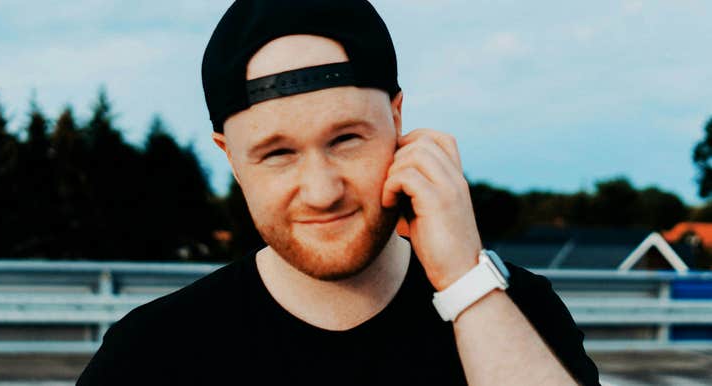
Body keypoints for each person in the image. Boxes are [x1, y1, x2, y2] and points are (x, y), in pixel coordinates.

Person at [77, 1, 600, 385]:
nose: (322, 192)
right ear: (231, 158)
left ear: (397, 120)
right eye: (277, 152)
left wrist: (466, 283)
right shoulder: (152, 355)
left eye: (346, 139)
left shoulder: (518, 314)